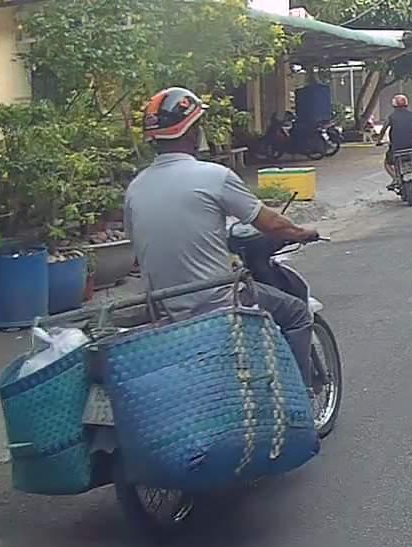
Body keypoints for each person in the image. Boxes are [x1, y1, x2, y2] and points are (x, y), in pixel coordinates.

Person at [124, 86, 317, 386]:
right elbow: (272, 224)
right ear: (192, 132)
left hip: (162, 304)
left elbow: (137, 249)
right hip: (216, 300)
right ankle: (300, 398)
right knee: (297, 313)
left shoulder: (135, 188)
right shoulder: (214, 176)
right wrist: (302, 232)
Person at [377, 94, 412, 192]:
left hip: (396, 149)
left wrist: (379, 140)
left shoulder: (391, 117)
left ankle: (395, 178)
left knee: (387, 163)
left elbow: (383, 129)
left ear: (394, 105)